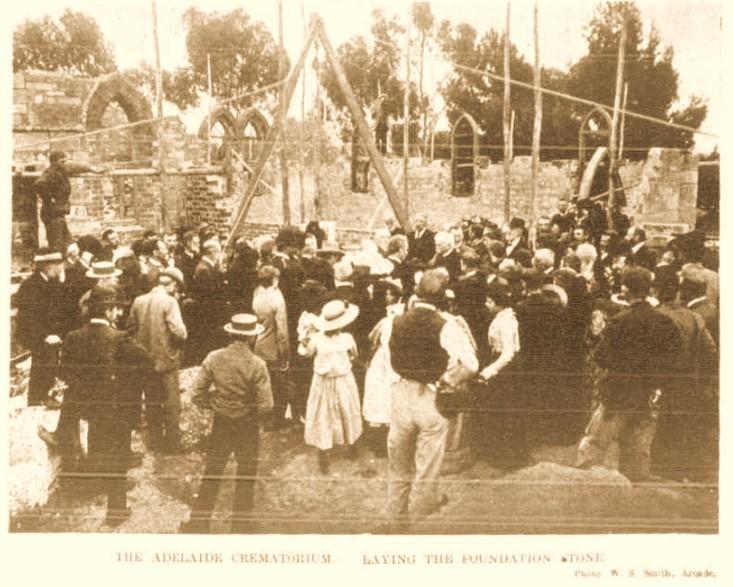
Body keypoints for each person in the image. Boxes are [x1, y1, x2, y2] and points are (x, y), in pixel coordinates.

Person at [386, 270, 478, 531]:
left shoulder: (395, 320)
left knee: (398, 464)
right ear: (442, 298)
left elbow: (388, 360)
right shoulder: (446, 325)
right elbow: (471, 364)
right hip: (430, 397)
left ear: (417, 294)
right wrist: (448, 380)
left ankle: (396, 518)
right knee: (427, 465)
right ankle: (421, 523)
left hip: (401, 395)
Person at [57, 284, 152, 526]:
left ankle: (97, 489)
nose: (118, 314)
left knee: (99, 451)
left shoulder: (73, 337)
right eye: (116, 310)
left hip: (90, 410)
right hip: (118, 410)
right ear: (108, 311)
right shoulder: (121, 339)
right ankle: (116, 511)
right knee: (118, 458)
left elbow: (65, 372)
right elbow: (147, 364)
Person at [576, 267, 681, 482]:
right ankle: (635, 490)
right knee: (638, 444)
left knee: (596, 441)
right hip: (647, 390)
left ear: (625, 289)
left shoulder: (620, 320)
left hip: (618, 390)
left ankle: (584, 482)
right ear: (649, 290)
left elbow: (601, 357)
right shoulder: (663, 321)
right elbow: (673, 356)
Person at [180, 314, 273, 534]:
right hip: (247, 425)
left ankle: (198, 524)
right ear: (252, 338)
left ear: (230, 334)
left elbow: (196, 393)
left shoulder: (214, 358)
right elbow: (266, 405)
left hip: (221, 423)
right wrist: (253, 414)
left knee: (212, 471)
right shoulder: (257, 364)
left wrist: (214, 404)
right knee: (246, 474)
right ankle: (240, 526)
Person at [127, 268, 188, 452]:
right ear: (173, 285)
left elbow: (130, 327)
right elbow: (179, 332)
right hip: (167, 360)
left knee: (152, 401)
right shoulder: (170, 302)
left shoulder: (139, 301)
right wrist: (177, 344)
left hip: (145, 360)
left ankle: (154, 441)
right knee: (171, 402)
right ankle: (172, 443)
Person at [302, 299, 363, 474]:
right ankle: (352, 447)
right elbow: (354, 355)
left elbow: (307, 355)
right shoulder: (347, 339)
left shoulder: (316, 340)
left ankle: (324, 454)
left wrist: (305, 341)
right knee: (346, 410)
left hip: (323, 382)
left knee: (324, 414)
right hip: (343, 380)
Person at [15, 248, 68, 407]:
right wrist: (44, 336)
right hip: (32, 333)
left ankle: (45, 394)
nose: (60, 268)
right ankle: (37, 398)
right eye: (58, 264)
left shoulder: (51, 282)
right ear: (47, 266)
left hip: (46, 332)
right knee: (43, 360)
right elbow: (29, 318)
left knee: (49, 360)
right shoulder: (30, 286)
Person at [34, 150, 102, 251]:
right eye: (62, 161)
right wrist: (50, 199)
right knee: (57, 247)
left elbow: (77, 167)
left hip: (58, 215)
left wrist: (92, 169)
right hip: (52, 215)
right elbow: (39, 184)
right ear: (55, 162)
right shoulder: (50, 172)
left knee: (69, 245)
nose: (65, 164)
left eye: (66, 161)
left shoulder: (61, 171)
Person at [251, 265, 290, 429]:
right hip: (273, 346)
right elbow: (282, 330)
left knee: (261, 383)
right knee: (278, 385)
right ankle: (277, 420)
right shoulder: (277, 298)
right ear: (274, 279)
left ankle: (262, 417)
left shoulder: (257, 293)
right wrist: (285, 353)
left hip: (258, 344)